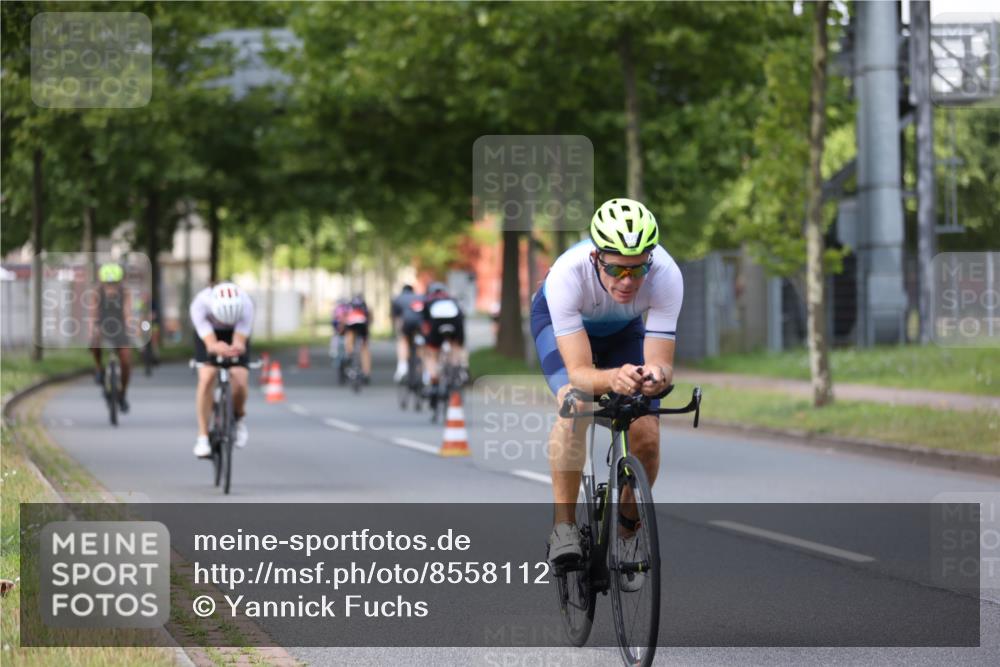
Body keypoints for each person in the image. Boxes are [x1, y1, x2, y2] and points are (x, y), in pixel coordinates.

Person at [531, 198, 682, 591]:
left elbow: (662, 364)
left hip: (622, 330)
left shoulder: (667, 275)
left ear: (650, 261)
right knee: (576, 401)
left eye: (638, 269)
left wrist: (654, 377)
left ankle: (627, 532)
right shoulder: (568, 275)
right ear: (596, 257)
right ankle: (564, 526)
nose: (627, 281)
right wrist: (614, 377)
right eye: (616, 269)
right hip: (561, 325)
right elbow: (580, 373)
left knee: (647, 433)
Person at [190, 282, 255, 458]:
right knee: (207, 376)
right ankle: (202, 436)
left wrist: (237, 347)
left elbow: (240, 341)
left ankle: (239, 417)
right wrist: (213, 346)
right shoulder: (200, 304)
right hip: (209, 334)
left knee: (239, 378)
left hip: (234, 334)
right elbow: (210, 344)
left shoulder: (246, 304)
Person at [90, 262, 133, 413]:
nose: (111, 287)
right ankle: (98, 368)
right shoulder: (97, 292)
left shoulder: (125, 292)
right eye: (108, 284)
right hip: (103, 325)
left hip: (120, 327)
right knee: (95, 343)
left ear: (119, 282)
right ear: (102, 282)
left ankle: (122, 394)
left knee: (126, 360)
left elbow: (128, 312)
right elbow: (93, 313)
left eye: (114, 283)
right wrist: (93, 329)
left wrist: (130, 326)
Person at [421, 281, 467, 410]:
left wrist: (426, 339)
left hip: (436, 323)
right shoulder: (452, 299)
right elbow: (462, 316)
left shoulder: (428, 300)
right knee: (456, 346)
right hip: (455, 323)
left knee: (431, 353)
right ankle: (458, 368)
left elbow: (425, 323)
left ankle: (434, 380)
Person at [390, 284, 425, 382]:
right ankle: (424, 369)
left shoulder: (398, 299)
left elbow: (397, 318)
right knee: (422, 344)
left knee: (402, 339)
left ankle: (402, 364)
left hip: (407, 322)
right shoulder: (420, 297)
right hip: (420, 323)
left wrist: (399, 331)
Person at [343, 294, 371, 383]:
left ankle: (349, 353)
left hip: (351, 322)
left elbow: (345, 317)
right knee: (364, 348)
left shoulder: (349, 305)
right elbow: (369, 317)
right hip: (363, 323)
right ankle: (366, 372)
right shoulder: (364, 306)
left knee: (349, 336)